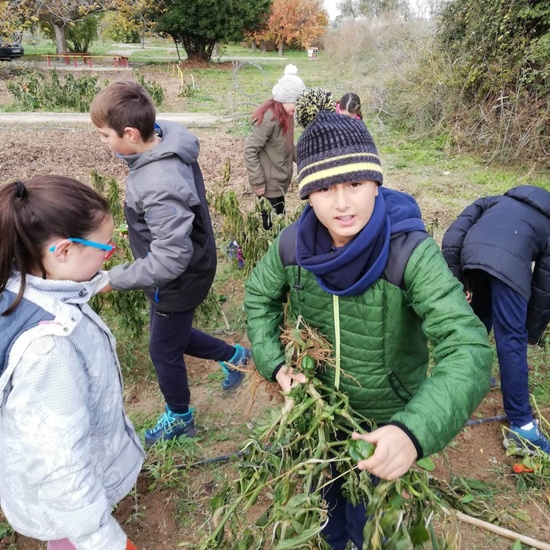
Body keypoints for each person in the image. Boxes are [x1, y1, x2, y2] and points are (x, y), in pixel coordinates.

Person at [244, 109, 493, 550]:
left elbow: (467, 347)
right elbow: (259, 297)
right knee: (326, 515)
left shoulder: (410, 254)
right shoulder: (292, 248)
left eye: (355, 184)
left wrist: (412, 431)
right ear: (306, 195)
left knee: (376, 529)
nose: (342, 203)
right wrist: (275, 362)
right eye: (323, 188)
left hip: (385, 424)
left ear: (376, 182)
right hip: (319, 416)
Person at [90, 80, 251, 447]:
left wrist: (115, 278)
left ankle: (180, 416)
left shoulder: (158, 183)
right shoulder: (164, 139)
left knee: (163, 349)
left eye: (104, 135)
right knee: (171, 336)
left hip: (177, 278)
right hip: (188, 267)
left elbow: (171, 256)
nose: (103, 143)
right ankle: (236, 356)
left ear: (130, 133)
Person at [0, 176, 144, 550]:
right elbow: (60, 464)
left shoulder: (20, 289)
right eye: (105, 249)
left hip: (51, 502)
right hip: (66, 510)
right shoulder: (51, 350)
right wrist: (103, 539)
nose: (109, 254)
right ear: (64, 251)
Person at [442, 185, 550, 455]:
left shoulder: (495, 200)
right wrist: (530, 333)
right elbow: (544, 287)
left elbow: (454, 233)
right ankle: (522, 428)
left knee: (479, 317)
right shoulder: (547, 223)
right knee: (511, 340)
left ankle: (473, 374)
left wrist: (460, 277)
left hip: (471, 254)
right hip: (508, 266)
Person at [243, 64, 306, 230]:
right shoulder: (269, 118)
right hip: (268, 183)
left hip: (280, 180)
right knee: (272, 226)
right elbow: (250, 151)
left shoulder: (287, 115)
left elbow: (286, 144)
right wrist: (258, 182)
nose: (297, 107)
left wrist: (304, 162)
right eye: (295, 102)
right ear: (285, 98)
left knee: (280, 220)